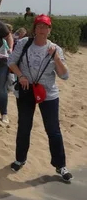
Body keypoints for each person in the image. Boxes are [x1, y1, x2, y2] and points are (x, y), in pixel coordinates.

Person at [8, 15, 72, 182]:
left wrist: (56, 57)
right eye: (39, 26)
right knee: (24, 126)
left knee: (53, 130)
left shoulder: (55, 48)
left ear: (50, 30)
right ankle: (20, 159)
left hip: (48, 94)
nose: (42, 30)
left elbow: (64, 76)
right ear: (34, 28)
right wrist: (20, 75)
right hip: (26, 90)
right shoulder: (24, 43)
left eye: (46, 27)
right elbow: (11, 62)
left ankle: (61, 165)